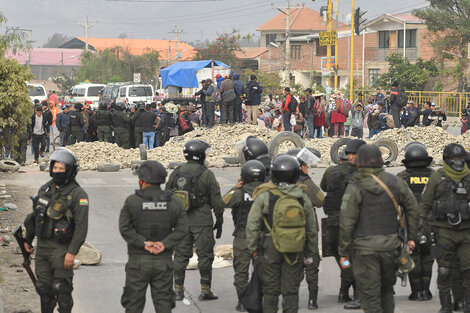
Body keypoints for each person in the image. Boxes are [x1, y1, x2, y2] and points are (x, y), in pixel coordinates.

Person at [338, 144, 419, 313]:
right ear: (381, 161)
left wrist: (344, 253)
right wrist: (411, 238)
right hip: (391, 247)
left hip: (364, 250)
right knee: (386, 292)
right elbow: (413, 208)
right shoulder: (395, 182)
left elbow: (346, 223)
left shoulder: (354, 187)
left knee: (370, 296)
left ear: (359, 163)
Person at [246, 154, 318, 313]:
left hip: (270, 247)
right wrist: (310, 252)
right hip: (296, 247)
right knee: (291, 291)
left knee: (270, 290)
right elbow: (311, 229)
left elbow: (252, 224)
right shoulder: (302, 197)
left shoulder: (264, 194)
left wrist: (253, 249)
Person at [23, 148, 89, 313]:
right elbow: (35, 217)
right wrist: (27, 240)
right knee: (44, 290)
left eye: (61, 168)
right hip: (43, 247)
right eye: (55, 168)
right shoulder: (45, 190)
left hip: (62, 249)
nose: (57, 171)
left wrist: (72, 252)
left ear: (70, 170)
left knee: (61, 289)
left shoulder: (77, 194)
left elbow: (81, 227)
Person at [119, 160, 188, 313]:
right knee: (164, 305)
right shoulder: (174, 203)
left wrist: (143, 243)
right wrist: (165, 244)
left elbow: (124, 228)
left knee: (133, 305)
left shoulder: (132, 201)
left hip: (138, 262)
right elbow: (183, 229)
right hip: (163, 262)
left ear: (141, 180)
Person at [165, 139, 224, 301]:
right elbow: (217, 201)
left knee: (180, 256)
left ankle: (177, 289)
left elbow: (167, 194)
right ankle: (205, 290)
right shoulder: (206, 174)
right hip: (202, 221)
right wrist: (219, 220)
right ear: (199, 155)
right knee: (205, 255)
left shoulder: (176, 172)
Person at [419, 143, 470, 313]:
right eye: (454, 158)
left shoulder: (469, 177)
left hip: (466, 232)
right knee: (444, 270)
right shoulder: (437, 177)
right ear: (447, 160)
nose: (457, 161)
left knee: (467, 270)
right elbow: (425, 204)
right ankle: (446, 305)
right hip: (443, 231)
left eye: (460, 158)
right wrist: (419, 228)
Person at [321, 139, 365, 309]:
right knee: (355, 256)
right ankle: (350, 288)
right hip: (354, 223)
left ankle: (344, 290)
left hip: (333, 224)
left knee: (343, 257)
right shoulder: (362, 174)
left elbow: (324, 187)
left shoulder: (331, 171)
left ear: (341, 159)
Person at [223, 160, 266, 312]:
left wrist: (236, 187)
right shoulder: (266, 193)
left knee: (241, 271)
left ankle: (242, 301)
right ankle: (259, 299)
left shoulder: (239, 193)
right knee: (261, 270)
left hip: (242, 237)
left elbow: (223, 202)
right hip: (262, 237)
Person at [286, 148, 324, 310]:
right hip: (308, 232)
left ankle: (291, 300)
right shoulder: (305, 182)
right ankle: (312, 301)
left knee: (291, 267)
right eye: (305, 166)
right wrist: (307, 180)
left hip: (288, 233)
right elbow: (320, 200)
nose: (307, 168)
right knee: (311, 265)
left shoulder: (280, 182)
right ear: (299, 167)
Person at [397, 143, 435, 301]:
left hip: (410, 223)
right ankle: (426, 291)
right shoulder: (435, 175)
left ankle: (417, 291)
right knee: (428, 257)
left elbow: (396, 202)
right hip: (431, 223)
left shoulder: (402, 177)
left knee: (413, 256)